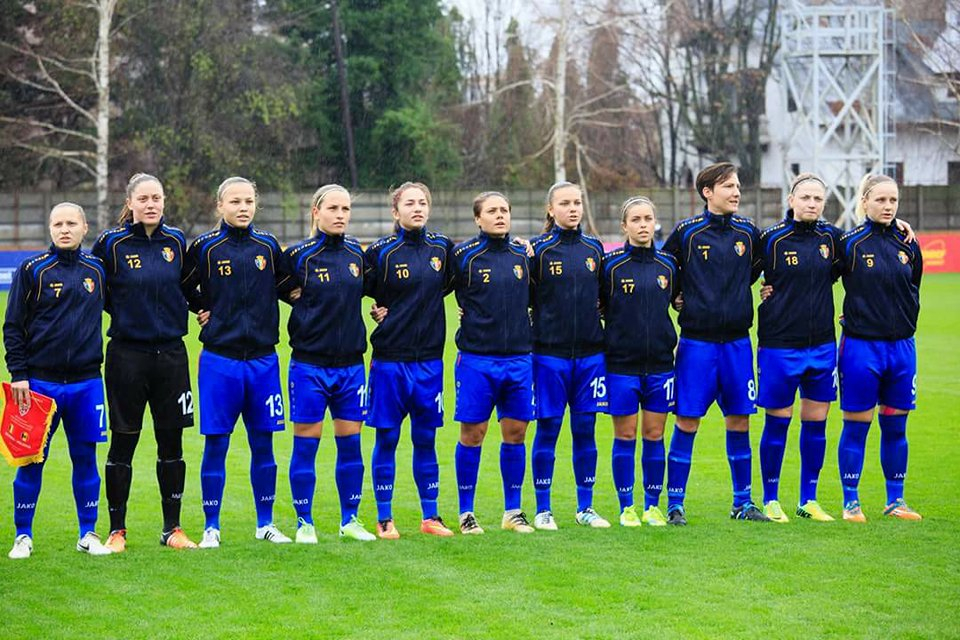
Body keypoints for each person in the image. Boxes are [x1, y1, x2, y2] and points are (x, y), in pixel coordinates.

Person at [181, 176, 297, 548]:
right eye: (235, 201)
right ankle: (211, 526)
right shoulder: (204, 247)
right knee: (217, 443)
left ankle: (265, 523)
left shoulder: (267, 246)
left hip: (263, 362)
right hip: (220, 361)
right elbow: (181, 284)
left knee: (264, 444)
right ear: (220, 206)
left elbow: (290, 287)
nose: (243, 207)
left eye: (249, 201)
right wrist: (202, 308)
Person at [93, 173, 198, 551]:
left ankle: (173, 529)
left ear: (164, 202)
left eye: (157, 197)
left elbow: (188, 286)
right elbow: (97, 291)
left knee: (172, 443)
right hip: (127, 355)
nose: (151, 204)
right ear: (131, 203)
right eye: (144, 198)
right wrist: (127, 317)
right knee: (124, 442)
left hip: (171, 355)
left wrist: (204, 310)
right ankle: (117, 530)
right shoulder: (111, 243)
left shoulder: (176, 241)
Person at [662, 162, 770, 523]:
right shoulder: (687, 233)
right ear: (707, 192)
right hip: (697, 345)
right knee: (687, 421)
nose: (736, 192)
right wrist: (678, 296)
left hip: (738, 344)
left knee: (740, 420)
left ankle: (743, 502)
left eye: (738, 186)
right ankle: (675, 504)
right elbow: (663, 271)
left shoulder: (749, 232)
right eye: (728, 186)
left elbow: (756, 270)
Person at [4, 202, 112, 558]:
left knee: (86, 459)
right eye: (57, 224)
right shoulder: (32, 270)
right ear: (50, 229)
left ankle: (88, 533)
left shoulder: (96, 269)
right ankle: (23, 535)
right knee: (31, 461)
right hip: (39, 385)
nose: (64, 229)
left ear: (84, 228)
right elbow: (13, 327)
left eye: (71, 223)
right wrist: (19, 374)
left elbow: (129, 305)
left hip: (86, 383)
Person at [363, 182, 456, 539]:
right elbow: (360, 289)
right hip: (390, 360)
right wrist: (380, 311)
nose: (417, 208)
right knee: (386, 438)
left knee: (425, 438)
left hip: (430, 361)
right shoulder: (381, 253)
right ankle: (384, 518)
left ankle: (430, 516)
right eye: (410, 203)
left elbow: (452, 286)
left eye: (423, 203)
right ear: (395, 211)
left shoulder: (442, 249)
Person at [285, 185, 376, 542]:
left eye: (346, 208)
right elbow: (266, 290)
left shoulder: (357, 252)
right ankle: (304, 522)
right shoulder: (296, 256)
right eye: (333, 208)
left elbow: (379, 291)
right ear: (316, 212)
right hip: (309, 366)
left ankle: (350, 519)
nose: (340, 215)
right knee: (306, 443)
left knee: (350, 445)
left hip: (352, 366)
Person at [835, 173, 923, 522]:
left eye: (893, 201)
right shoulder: (850, 243)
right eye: (881, 200)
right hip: (861, 348)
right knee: (857, 425)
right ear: (865, 201)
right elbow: (814, 278)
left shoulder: (908, 243)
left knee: (896, 427)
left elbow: (913, 286)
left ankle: (895, 500)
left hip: (902, 348)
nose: (888, 206)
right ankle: (851, 501)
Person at [452, 191, 536, 535]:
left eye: (504, 209)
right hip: (476, 359)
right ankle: (466, 513)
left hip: (518, 359)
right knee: (473, 433)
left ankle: (512, 511)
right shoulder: (464, 257)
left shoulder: (524, 254)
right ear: (477, 218)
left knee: (515, 434)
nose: (500, 215)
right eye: (492, 211)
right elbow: (427, 289)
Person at [528, 181, 609, 530]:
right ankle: (543, 508)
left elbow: (606, 297)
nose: (573, 208)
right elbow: (521, 297)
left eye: (577, 202)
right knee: (548, 428)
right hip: (549, 355)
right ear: (551, 209)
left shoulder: (594, 248)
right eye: (565, 203)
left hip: (591, 355)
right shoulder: (537, 251)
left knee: (585, 428)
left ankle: (585, 507)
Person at [602, 197, 679, 527]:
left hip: (661, 364)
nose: (643, 224)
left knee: (654, 434)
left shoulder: (669, 265)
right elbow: (598, 306)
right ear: (625, 226)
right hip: (621, 364)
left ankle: (652, 505)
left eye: (648, 218)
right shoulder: (611, 266)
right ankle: (626, 507)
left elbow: (677, 302)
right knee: (625, 435)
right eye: (636, 219)